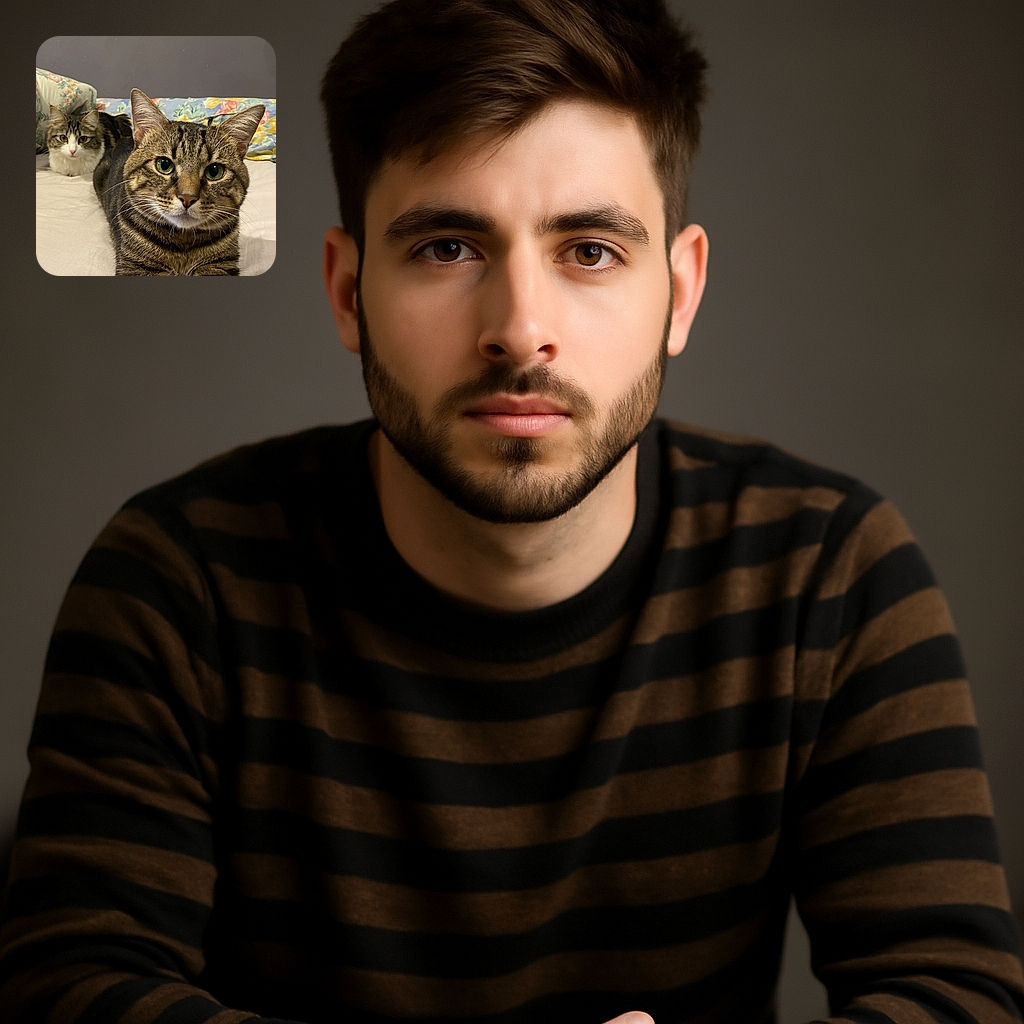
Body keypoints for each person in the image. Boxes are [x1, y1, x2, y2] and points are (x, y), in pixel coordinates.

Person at [1, 0, 1022, 1021]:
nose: (521, 329)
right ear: (349, 292)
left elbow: (954, 995)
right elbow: (69, 988)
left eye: (590, 250)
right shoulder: (178, 580)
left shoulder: (828, 571)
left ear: (681, 292)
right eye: (448, 247)